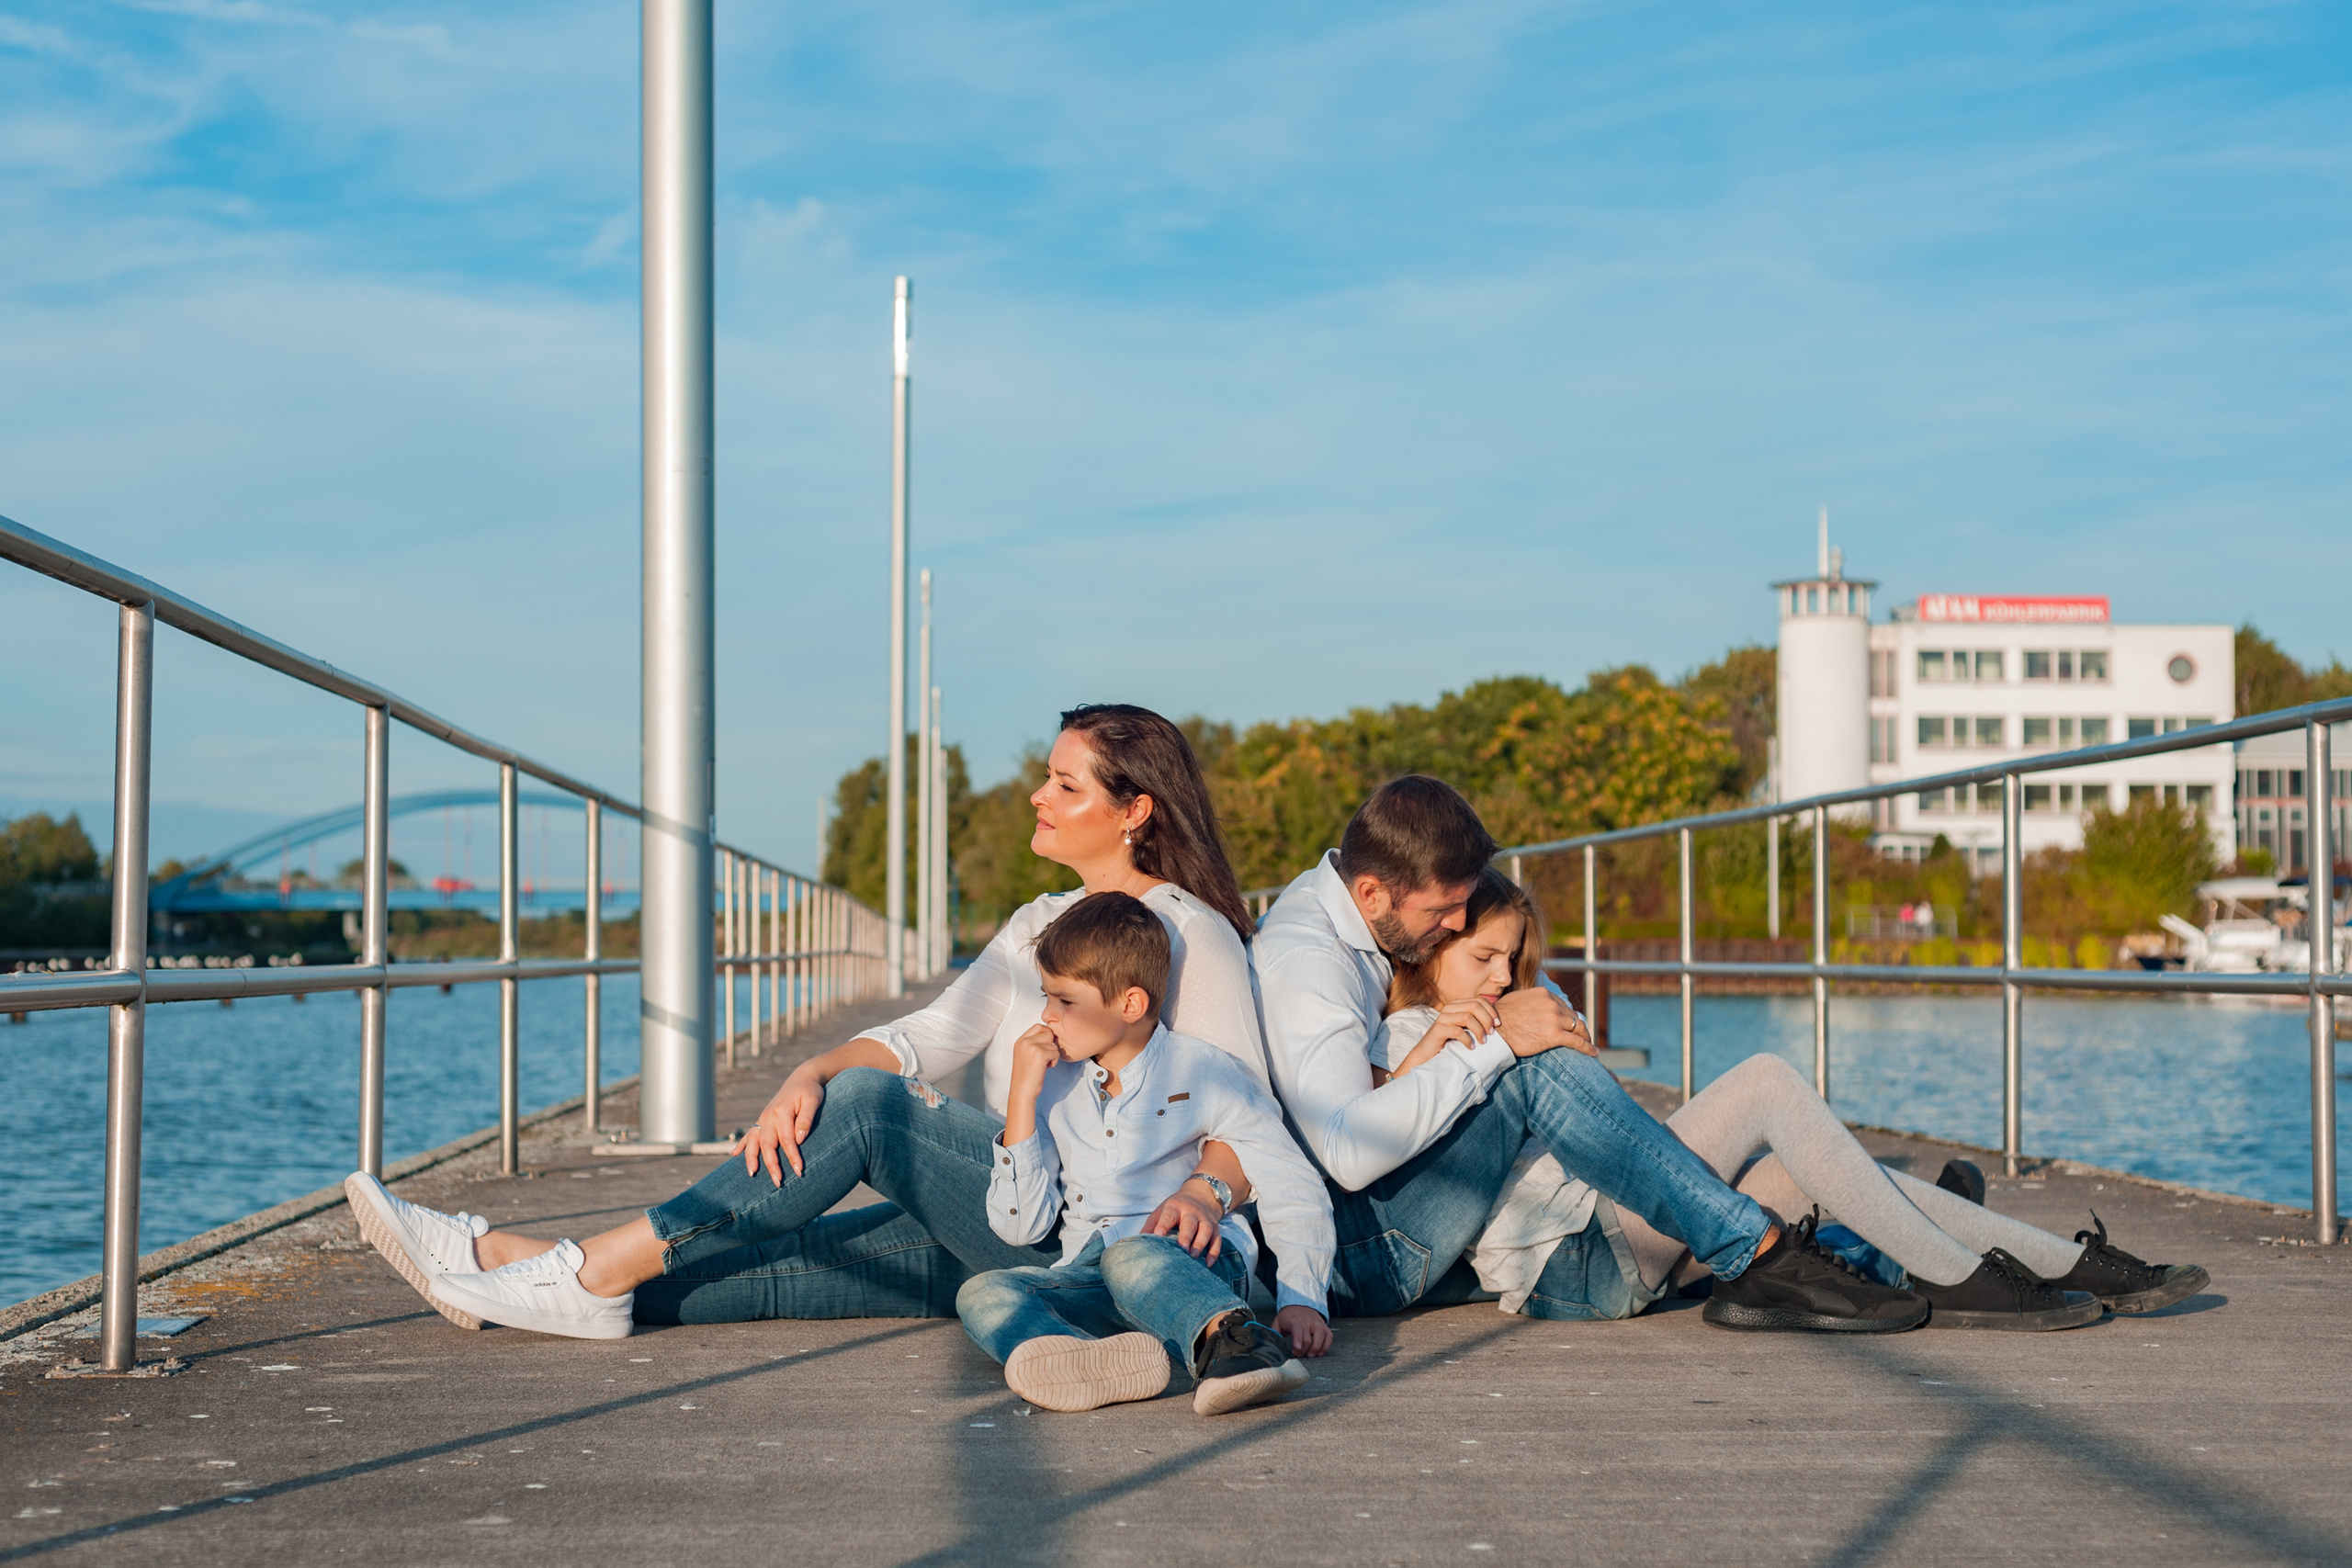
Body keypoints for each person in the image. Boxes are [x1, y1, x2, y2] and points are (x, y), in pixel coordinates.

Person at [350, 704, 1273, 1339]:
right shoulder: (1039, 924)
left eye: (1064, 786)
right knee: (779, 1268)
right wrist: (813, 1069)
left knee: (871, 1109)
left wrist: (1206, 1195)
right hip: (1014, 1208)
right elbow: (935, 1033)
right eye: (1045, 776)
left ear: (1133, 811)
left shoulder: (1192, 937)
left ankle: (583, 1274)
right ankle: (498, 1262)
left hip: (1108, 1231)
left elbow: (1250, 1122)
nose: (1037, 795)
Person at [1374, 867, 2208, 1329]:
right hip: (1577, 1256)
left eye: (1512, 961)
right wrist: (1446, 1043)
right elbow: (1386, 1145)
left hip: (1615, 1226)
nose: (1501, 977)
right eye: (1483, 957)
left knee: (1806, 1173)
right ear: (1435, 941)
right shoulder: (1407, 1036)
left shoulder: (1510, 1011)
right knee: (1769, 1079)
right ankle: (1962, 1277)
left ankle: (2071, 1266)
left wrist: (1548, 1019)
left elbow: (1608, 1132)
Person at [1252, 774, 1929, 1333]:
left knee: (1744, 1165)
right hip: (1361, 1250)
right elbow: (1346, 1153)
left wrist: (1539, 1008)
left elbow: (1522, 988)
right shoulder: (1309, 962)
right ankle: (1757, 1253)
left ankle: (1927, 1247)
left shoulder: (1381, 914)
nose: (1455, 924)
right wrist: (1497, 1040)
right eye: (1445, 913)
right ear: (1372, 893)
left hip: (1424, 1219)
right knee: (1529, 1068)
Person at [955, 892, 1334, 1416]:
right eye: (1046, 997)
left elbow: (1291, 1180)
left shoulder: (1202, 1070)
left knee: (1133, 1255)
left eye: (1065, 1001)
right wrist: (1022, 1096)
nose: (1047, 1015)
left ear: (1130, 1004)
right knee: (983, 1293)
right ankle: (1087, 1362)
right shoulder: (1052, 1085)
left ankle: (1238, 1344)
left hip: (1190, 1259)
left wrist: (1301, 1299)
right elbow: (1022, 1228)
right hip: (1090, 1269)